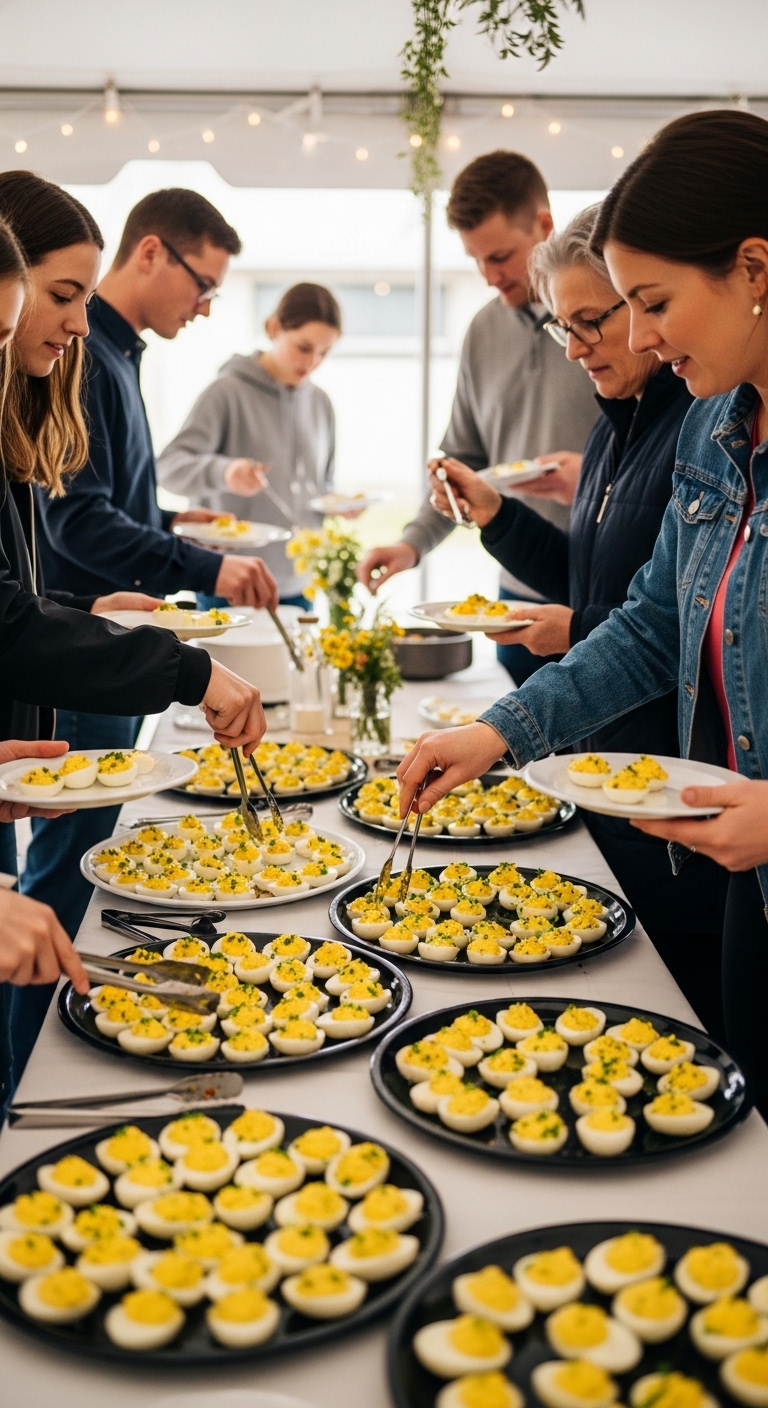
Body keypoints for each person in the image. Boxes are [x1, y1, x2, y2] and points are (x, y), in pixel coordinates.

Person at [397, 108, 768, 1118]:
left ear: (754, 270)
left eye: (650, 303)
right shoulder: (716, 431)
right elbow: (648, 627)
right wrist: (495, 729)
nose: (637, 337)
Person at [427, 204, 729, 1039]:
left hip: (676, 814)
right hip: (610, 792)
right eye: (565, 325)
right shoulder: (617, 431)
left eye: (600, 317)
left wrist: (571, 629)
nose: (577, 345)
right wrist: (495, 516)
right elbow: (625, 600)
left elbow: (664, 632)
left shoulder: (700, 428)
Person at [0, 177, 266, 1083]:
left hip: (56, 676)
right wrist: (185, 666)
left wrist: (83, 609)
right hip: (66, 683)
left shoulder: (104, 357)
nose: (70, 328)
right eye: (58, 299)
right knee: (58, 890)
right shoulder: (81, 363)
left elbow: (18, 588)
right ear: (151, 251)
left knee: (48, 897)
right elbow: (42, 573)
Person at [357, 150, 599, 685]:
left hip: (603, 602)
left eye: (501, 256)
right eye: (476, 260)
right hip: (514, 600)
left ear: (544, 224)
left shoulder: (614, 327)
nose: (490, 276)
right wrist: (411, 542)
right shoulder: (482, 332)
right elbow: (463, 458)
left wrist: (592, 478)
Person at [157, 281, 341, 607]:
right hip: (232, 581)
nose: (312, 362)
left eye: (324, 352)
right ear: (273, 328)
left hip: (299, 583)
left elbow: (320, 485)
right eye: (303, 347)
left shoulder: (321, 403)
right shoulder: (226, 393)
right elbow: (168, 468)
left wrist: (335, 503)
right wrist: (225, 472)